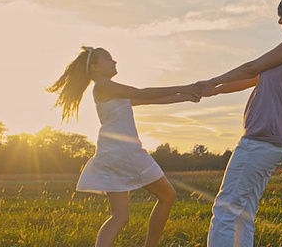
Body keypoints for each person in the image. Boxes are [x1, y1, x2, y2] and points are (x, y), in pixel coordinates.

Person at [199, 0, 282, 246]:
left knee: (224, 212)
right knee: (244, 214)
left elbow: (251, 67)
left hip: (259, 142)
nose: (280, 22)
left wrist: (210, 80)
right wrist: (217, 90)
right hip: (275, 145)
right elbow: (253, 79)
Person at [46, 46, 201, 247]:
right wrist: (186, 86)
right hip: (125, 152)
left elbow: (150, 100)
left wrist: (185, 96)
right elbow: (142, 93)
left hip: (110, 154)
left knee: (120, 216)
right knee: (167, 196)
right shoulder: (103, 86)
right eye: (109, 59)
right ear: (95, 67)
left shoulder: (110, 91)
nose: (115, 61)